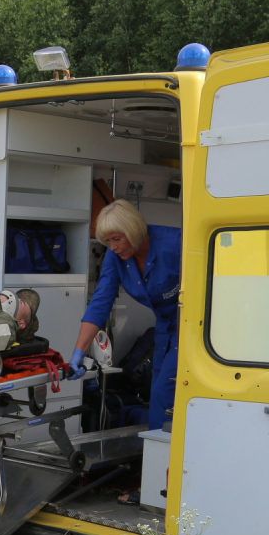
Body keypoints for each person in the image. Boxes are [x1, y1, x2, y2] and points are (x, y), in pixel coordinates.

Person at [66, 199, 181, 505]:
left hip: (199, 328)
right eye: (107, 242)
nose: (113, 247)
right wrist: (78, 350)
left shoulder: (176, 243)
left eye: (116, 239)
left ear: (133, 230)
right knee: (160, 403)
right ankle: (159, 486)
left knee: (165, 399)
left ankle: (165, 489)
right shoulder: (117, 259)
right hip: (167, 328)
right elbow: (101, 301)